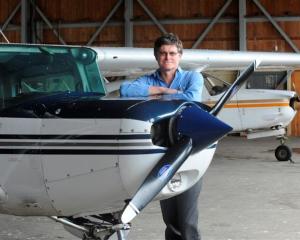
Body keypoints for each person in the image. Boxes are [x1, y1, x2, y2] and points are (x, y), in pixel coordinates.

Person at [120, 33, 204, 240]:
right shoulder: (149, 79)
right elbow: (125, 90)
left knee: (187, 220)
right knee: (171, 220)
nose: (168, 58)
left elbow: (192, 98)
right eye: (163, 53)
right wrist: (164, 89)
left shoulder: (193, 77)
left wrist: (154, 95)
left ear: (180, 56)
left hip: (187, 150)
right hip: (161, 152)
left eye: (172, 53)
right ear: (157, 56)